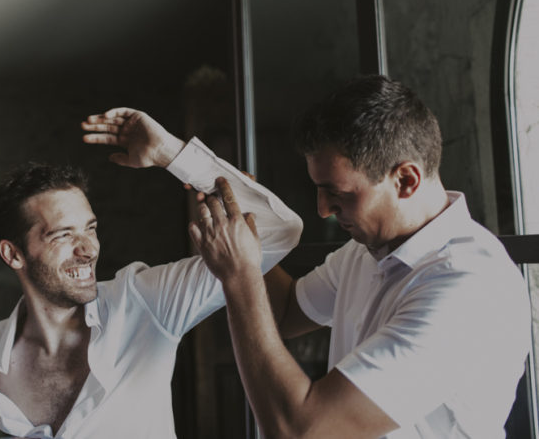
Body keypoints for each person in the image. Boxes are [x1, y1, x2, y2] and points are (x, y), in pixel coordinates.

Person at [0, 108, 303, 438]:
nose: (89, 248)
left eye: (90, 229)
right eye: (62, 235)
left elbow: (279, 231)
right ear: (13, 253)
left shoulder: (145, 301)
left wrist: (171, 153)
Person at [192, 75, 531, 438]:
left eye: (337, 193)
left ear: (405, 180)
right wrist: (239, 221)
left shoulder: (468, 287)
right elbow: (287, 311)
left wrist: (240, 276)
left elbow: (301, 431)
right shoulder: (367, 252)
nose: (323, 210)